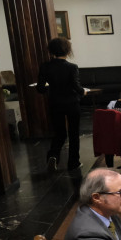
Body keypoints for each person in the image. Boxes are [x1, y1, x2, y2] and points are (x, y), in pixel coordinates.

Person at [37, 37, 84, 171]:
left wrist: (50, 87)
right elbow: (76, 86)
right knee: (74, 133)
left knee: (59, 133)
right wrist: (83, 92)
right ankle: (73, 163)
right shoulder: (72, 67)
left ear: (51, 51)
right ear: (67, 50)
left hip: (55, 103)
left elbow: (40, 88)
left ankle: (53, 155)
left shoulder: (45, 66)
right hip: (71, 103)